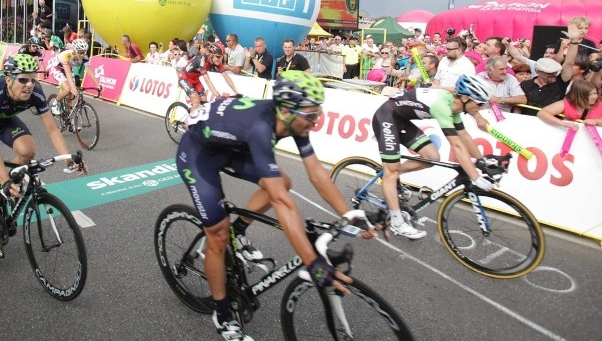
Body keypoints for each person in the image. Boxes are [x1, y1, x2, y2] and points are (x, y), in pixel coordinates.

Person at [176, 71, 374, 340]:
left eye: (318, 113)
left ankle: (240, 231)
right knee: (219, 234)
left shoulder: (293, 120)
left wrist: (349, 213)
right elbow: (282, 203)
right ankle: (221, 312)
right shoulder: (261, 128)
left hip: (232, 144)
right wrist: (313, 262)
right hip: (199, 154)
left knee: (283, 181)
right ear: (288, 111)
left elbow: (316, 172)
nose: (315, 121)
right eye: (311, 114)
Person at [0, 54, 82, 261]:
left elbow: (53, 130)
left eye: (33, 79)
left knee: (27, 151)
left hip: (5, 118)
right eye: (23, 79)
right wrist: (3, 180)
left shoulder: (35, 92)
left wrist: (68, 159)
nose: (29, 85)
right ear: (8, 79)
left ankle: (7, 184)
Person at [372, 74, 498, 239]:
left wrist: (482, 161)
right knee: (392, 172)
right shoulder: (442, 106)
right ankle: (397, 222)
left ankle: (393, 174)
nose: (481, 108)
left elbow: (465, 136)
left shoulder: (455, 107)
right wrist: (475, 176)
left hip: (401, 120)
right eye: (480, 103)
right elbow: (457, 145)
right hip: (386, 117)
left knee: (432, 157)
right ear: (466, 98)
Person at [537, 80, 602, 131]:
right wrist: (564, 124)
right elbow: (542, 113)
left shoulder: (601, 103)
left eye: (595, 93)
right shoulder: (567, 103)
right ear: (579, 96)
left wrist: (597, 121)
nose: (595, 97)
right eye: (590, 95)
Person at [47, 39, 99, 118]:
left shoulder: (84, 56)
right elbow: (67, 73)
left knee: (70, 96)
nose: (83, 55)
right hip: (57, 69)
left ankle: (69, 117)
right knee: (68, 89)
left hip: (68, 69)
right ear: (74, 50)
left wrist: (97, 84)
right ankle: (55, 104)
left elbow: (89, 70)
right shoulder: (66, 55)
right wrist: (72, 87)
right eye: (80, 52)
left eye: (84, 52)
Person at [179, 43, 240, 110]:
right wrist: (217, 95)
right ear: (211, 55)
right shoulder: (201, 61)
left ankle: (198, 116)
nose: (220, 59)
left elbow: (226, 76)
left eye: (222, 57)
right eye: (218, 57)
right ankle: (189, 120)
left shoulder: (216, 61)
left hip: (195, 80)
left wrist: (236, 92)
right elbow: (207, 80)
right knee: (196, 101)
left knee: (205, 103)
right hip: (184, 78)